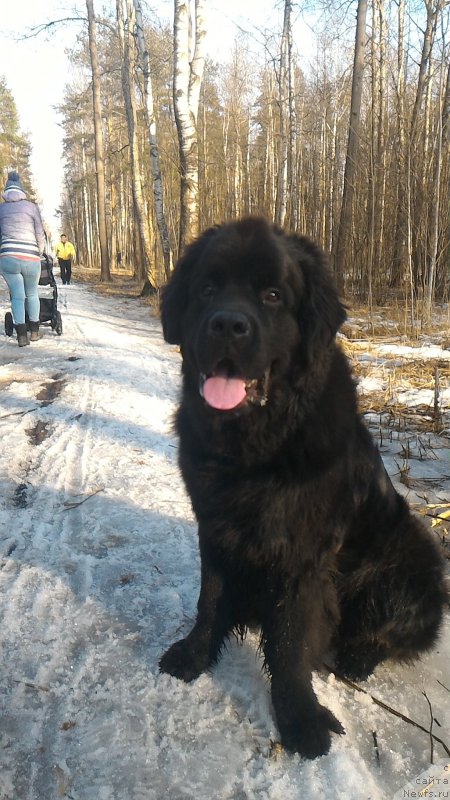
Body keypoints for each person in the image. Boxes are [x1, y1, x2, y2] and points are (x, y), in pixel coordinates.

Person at [0, 171, 45, 347]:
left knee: (17, 297)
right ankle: (34, 332)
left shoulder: (1, 209)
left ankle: (21, 336)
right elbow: (39, 232)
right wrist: (39, 252)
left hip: (8, 256)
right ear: (21, 190)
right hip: (30, 257)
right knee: (32, 293)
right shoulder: (31, 207)